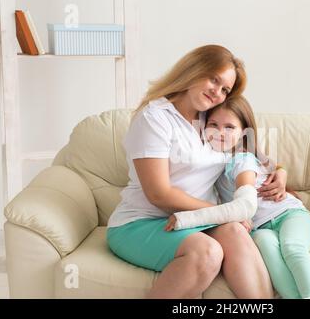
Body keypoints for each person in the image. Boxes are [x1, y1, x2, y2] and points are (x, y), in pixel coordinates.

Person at [107, 45, 289, 299]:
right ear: (194, 69)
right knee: (209, 252)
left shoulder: (212, 118)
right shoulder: (155, 118)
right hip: (141, 222)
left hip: (196, 221)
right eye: (214, 79)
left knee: (236, 232)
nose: (218, 92)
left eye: (225, 89)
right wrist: (223, 214)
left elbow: (249, 148)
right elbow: (159, 194)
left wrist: (280, 172)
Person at [165, 95, 310, 299]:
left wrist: (186, 219)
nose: (220, 132)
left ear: (243, 133)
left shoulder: (242, 159)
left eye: (230, 127)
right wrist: (281, 170)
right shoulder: (211, 164)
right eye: (213, 124)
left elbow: (245, 196)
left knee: (292, 247)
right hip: (261, 229)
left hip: (290, 215)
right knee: (267, 248)